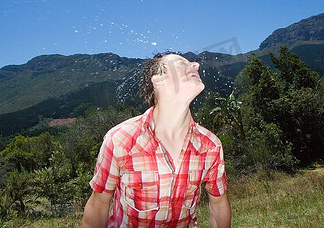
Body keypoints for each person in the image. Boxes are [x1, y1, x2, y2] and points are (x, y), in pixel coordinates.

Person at [82, 52, 231, 227]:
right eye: (181, 64)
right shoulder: (120, 140)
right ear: (158, 80)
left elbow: (218, 205)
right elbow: (99, 204)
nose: (196, 65)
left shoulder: (210, 145)